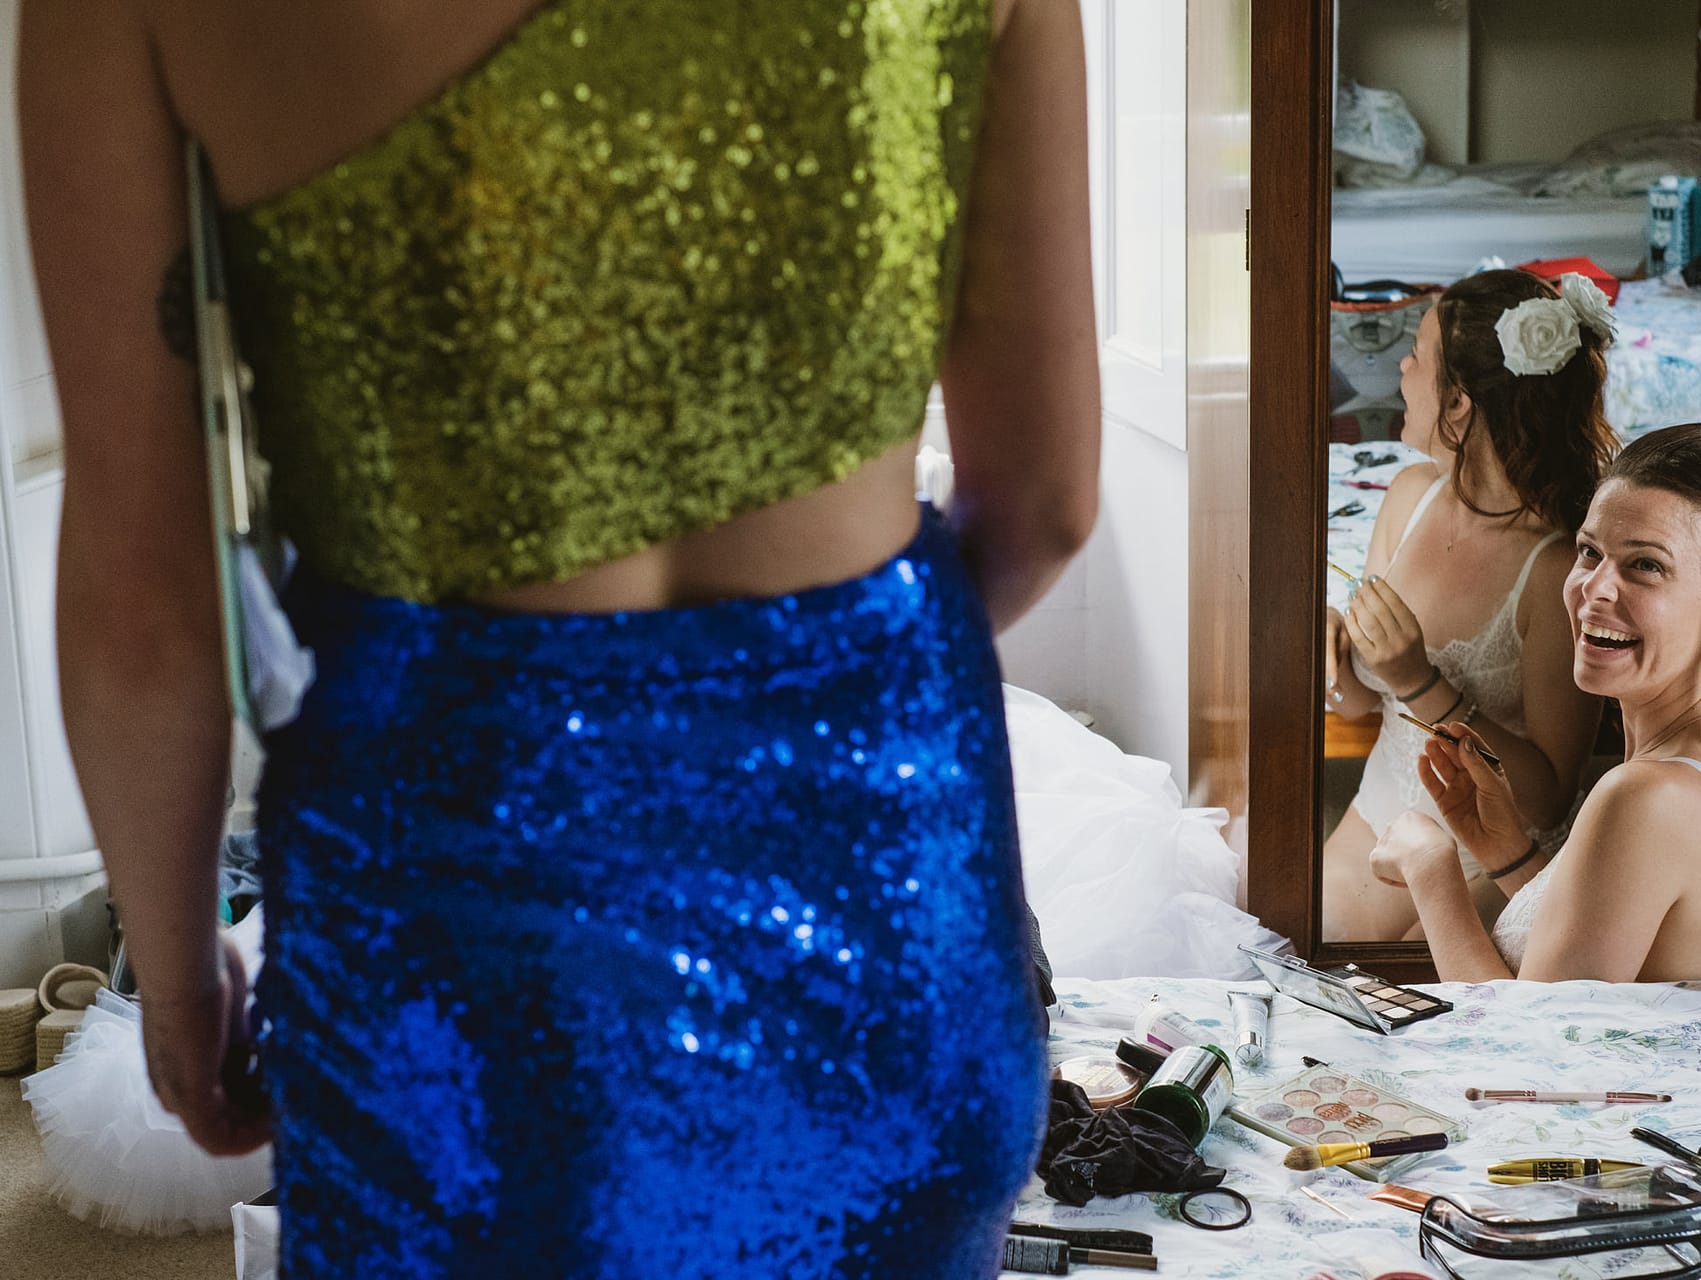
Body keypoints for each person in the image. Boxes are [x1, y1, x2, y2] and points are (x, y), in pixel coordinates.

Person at [21, 0, 1099, 1274]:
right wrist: (826, 705)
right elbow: (1043, 507)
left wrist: (187, 978)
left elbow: (147, 613)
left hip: (457, 960)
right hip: (885, 922)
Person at [1371, 420, 1701, 983]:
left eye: (1646, 565)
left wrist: (1431, 869)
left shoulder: (1643, 800)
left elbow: (1526, 1069)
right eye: (1589, 552)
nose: (1594, 589)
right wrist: (1505, 850)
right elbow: (1613, 951)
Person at [1324, 269, 1615, 941]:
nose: (1401, 366)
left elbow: (1547, 793)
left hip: (1489, 863)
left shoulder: (1555, 568)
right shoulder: (1407, 498)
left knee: (1416, 1015)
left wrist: (1420, 681)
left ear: (1458, 406)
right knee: (1290, 960)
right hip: (1377, 825)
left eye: (1418, 354)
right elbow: (1366, 703)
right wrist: (1338, 660)